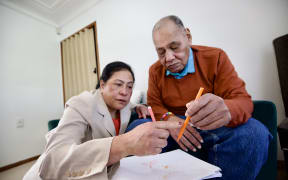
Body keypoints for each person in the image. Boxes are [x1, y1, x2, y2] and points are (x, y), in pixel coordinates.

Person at [146, 15, 271, 180]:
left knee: (255, 134)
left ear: (188, 37)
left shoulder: (216, 57)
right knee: (139, 126)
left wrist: (227, 109)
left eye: (174, 47)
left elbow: (241, 100)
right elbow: (154, 105)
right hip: (173, 130)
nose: (168, 58)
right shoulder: (155, 71)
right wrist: (170, 119)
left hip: (213, 128)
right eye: (161, 52)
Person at [23, 61, 181, 180]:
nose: (125, 92)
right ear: (102, 85)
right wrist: (124, 144)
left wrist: (141, 106)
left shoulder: (125, 106)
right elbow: (53, 161)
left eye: (129, 86)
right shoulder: (80, 103)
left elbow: (132, 105)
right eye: (118, 84)